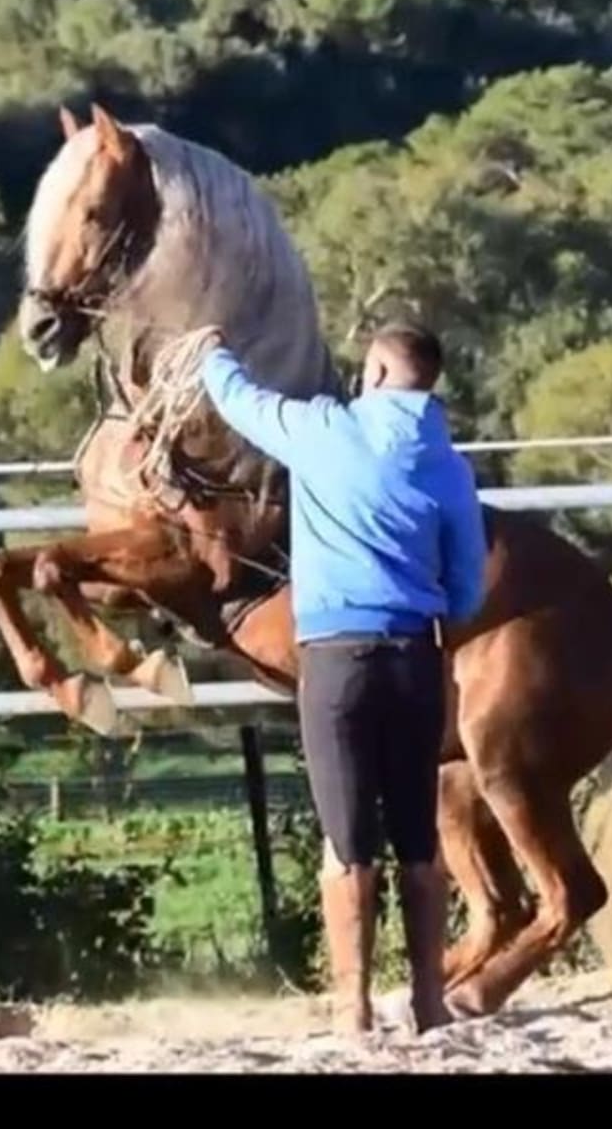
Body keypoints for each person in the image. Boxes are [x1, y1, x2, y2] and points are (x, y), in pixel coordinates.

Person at [199, 320, 488, 1035]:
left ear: (382, 373)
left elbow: (241, 403)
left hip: (336, 660)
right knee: (418, 839)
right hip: (416, 658)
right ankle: (426, 1003)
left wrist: (210, 351)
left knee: (346, 844)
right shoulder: (448, 466)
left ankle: (352, 1009)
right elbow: (468, 589)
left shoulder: (327, 432)